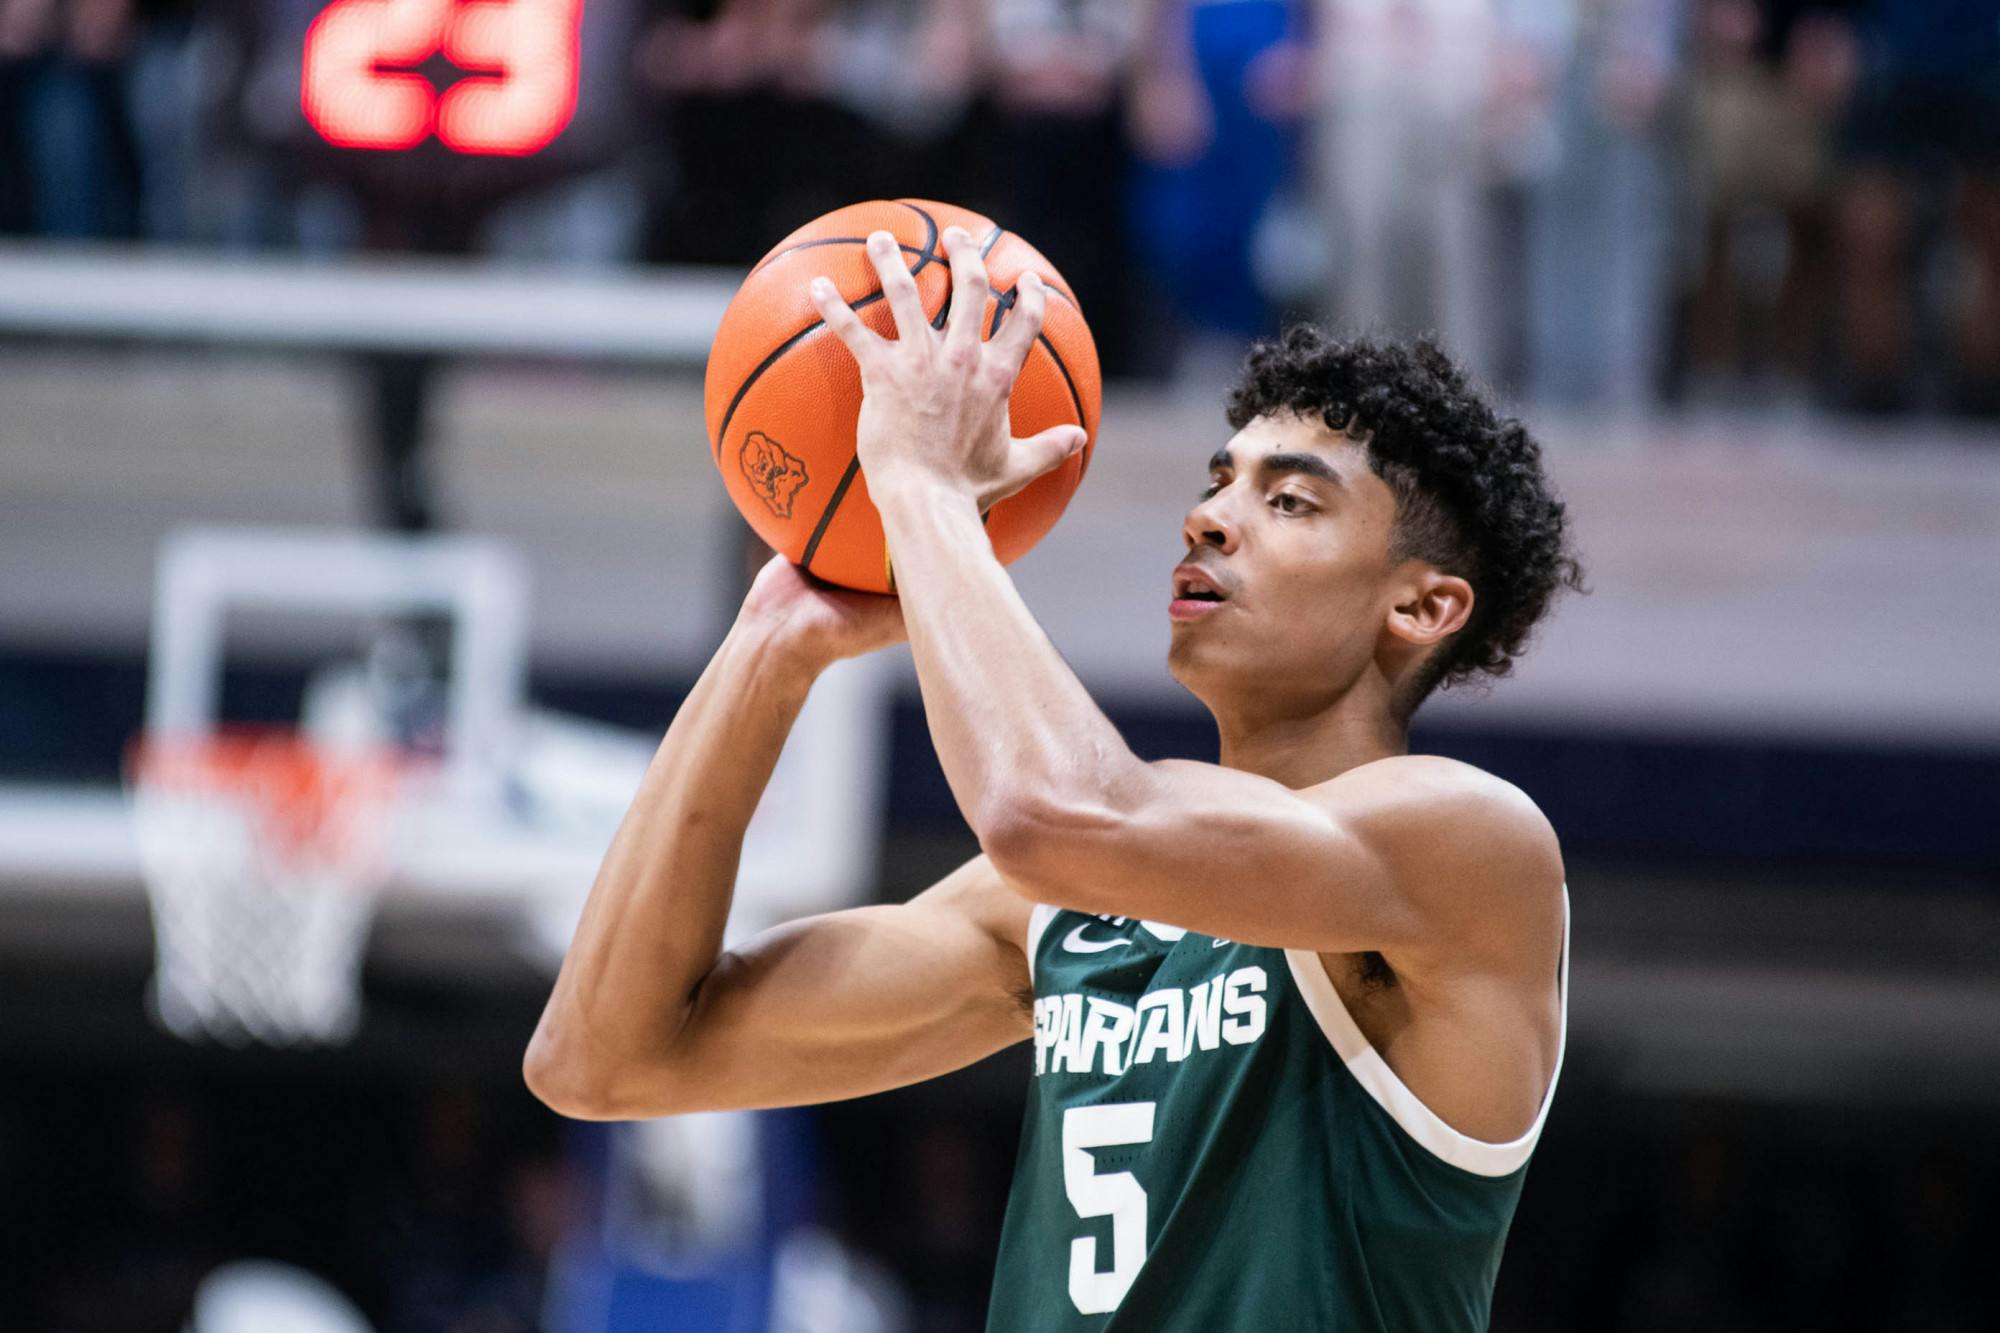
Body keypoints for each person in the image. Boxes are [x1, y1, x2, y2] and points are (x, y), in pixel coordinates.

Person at [526, 228, 1583, 1329]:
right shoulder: (1061, 916)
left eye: (1289, 500)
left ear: (1420, 607)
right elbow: (602, 1059)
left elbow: (1052, 814)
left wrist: (924, 491)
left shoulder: (1469, 846)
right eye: (1219, 479)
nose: (1209, 514)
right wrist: (769, 643)